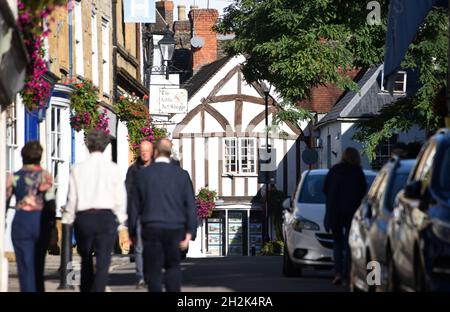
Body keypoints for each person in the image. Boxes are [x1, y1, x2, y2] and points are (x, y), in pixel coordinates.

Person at [62, 130, 127, 292]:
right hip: (106, 217)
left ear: (87, 146)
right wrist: (121, 222)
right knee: (103, 261)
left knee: (86, 260)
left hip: (84, 218)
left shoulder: (77, 169)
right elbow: (120, 197)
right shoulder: (113, 169)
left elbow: (72, 197)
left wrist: (68, 218)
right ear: (105, 147)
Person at [129, 138, 197, 292]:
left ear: (155, 152)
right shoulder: (182, 175)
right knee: (173, 267)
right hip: (175, 229)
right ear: (170, 153)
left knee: (153, 270)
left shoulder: (143, 175)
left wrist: (132, 232)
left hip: (151, 228)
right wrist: (189, 234)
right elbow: (190, 205)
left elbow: (134, 206)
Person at [6, 141, 56, 292]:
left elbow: (4, 202)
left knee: (25, 267)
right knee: (38, 266)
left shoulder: (13, 177)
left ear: (23, 157)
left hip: (21, 222)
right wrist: (53, 226)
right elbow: (50, 204)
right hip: (40, 222)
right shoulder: (45, 177)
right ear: (39, 157)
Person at [323, 147, 367, 286]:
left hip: (335, 211)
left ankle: (338, 273)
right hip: (351, 212)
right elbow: (363, 191)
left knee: (337, 243)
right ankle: (348, 274)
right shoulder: (357, 172)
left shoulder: (335, 170)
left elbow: (325, 189)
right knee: (349, 243)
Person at [125, 140, 153, 288]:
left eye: (147, 150)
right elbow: (128, 194)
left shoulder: (156, 169)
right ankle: (141, 277)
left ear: (152, 151)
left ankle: (151, 275)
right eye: (142, 150)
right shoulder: (133, 170)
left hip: (155, 214)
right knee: (139, 248)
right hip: (140, 214)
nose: (144, 153)